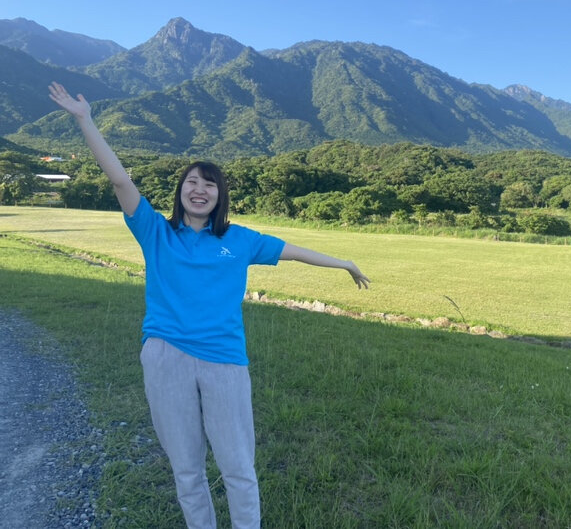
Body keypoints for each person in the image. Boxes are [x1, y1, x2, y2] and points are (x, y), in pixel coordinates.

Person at [48, 82, 369, 529]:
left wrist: (344, 262)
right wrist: (86, 121)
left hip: (224, 360)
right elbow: (120, 179)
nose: (199, 190)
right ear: (181, 191)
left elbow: (294, 250)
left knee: (238, 467)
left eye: (209, 184)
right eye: (191, 183)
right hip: (165, 355)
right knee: (186, 468)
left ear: (220, 196)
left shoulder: (239, 241)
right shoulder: (154, 232)